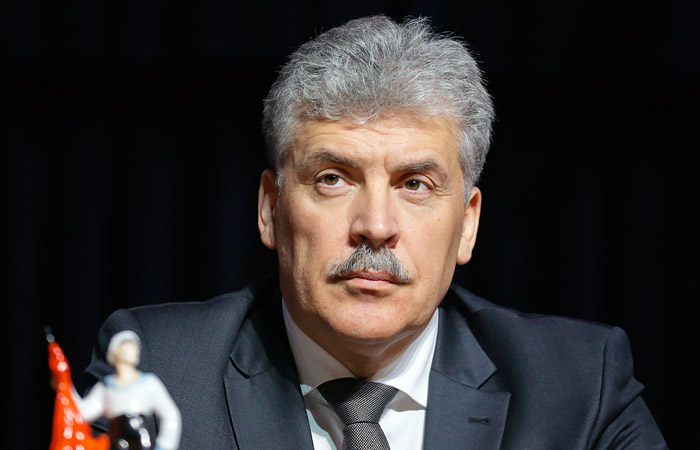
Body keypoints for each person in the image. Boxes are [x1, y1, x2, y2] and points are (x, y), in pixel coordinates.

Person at [84, 15, 668, 449]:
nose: (376, 227)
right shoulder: (159, 369)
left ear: (467, 224)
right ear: (270, 209)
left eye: (415, 184)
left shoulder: (578, 386)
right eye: (333, 179)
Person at [74, 331, 181, 450]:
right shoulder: (106, 387)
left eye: (135, 347)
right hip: (117, 441)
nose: (135, 350)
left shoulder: (149, 383)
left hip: (141, 440)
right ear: (116, 351)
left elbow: (170, 414)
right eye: (129, 346)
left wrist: (165, 445)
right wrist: (66, 385)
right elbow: (85, 412)